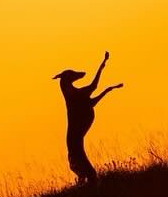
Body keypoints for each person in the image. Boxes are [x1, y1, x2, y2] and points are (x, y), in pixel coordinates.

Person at [53, 51, 123, 183]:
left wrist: (102, 65)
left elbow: (93, 94)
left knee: (87, 173)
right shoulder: (73, 96)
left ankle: (82, 187)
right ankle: (85, 190)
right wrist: (102, 67)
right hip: (74, 139)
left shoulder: (77, 95)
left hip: (74, 138)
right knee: (89, 174)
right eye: (72, 76)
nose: (77, 76)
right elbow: (93, 88)